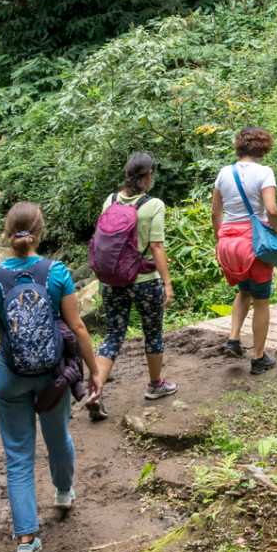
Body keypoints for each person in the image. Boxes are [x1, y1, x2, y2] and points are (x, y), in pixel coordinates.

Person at [0, 202, 101, 552]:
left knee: (18, 455)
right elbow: (77, 327)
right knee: (58, 436)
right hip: (52, 377)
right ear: (40, 232)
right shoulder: (56, 273)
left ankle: (26, 540)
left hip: (11, 378)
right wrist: (94, 372)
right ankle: (62, 493)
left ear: (6, 233)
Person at [85, 151, 175, 420]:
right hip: (145, 281)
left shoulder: (110, 200)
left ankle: (95, 392)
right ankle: (156, 385)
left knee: (113, 335)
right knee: (153, 333)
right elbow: (157, 246)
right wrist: (168, 284)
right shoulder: (153, 205)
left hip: (112, 280)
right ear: (147, 176)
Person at [212, 126, 277, 375]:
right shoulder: (264, 173)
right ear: (263, 147)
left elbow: (215, 212)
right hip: (252, 242)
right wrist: (274, 233)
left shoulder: (224, 173)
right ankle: (259, 358)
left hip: (228, 242)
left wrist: (219, 239)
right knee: (261, 301)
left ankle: (233, 339)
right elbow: (271, 210)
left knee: (244, 291)